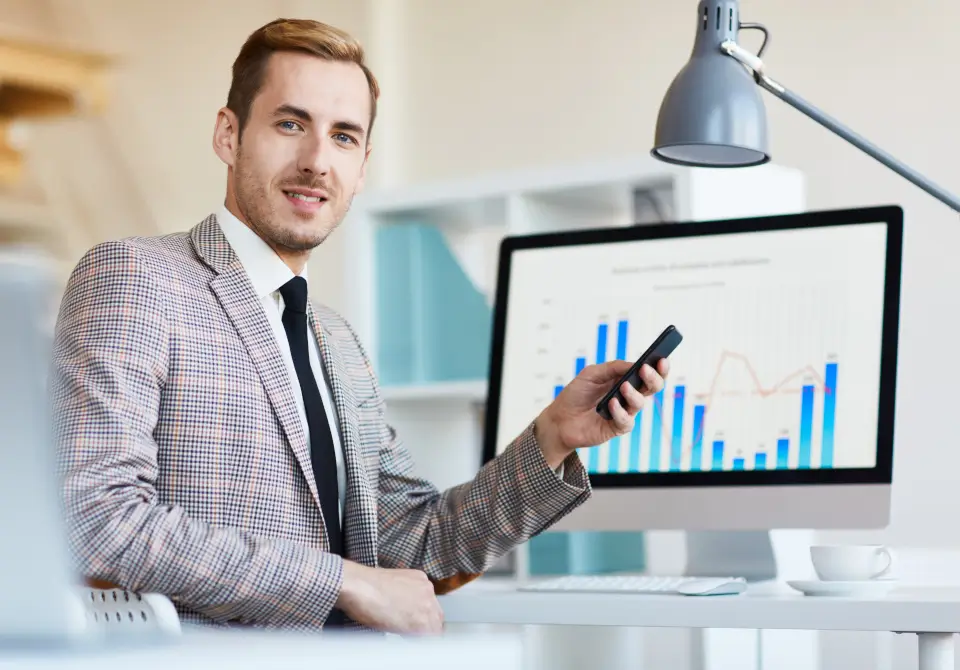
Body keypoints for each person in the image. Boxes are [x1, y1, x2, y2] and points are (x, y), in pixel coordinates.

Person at [51, 17, 668, 635]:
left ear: (363, 165)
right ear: (228, 135)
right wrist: (345, 581)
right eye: (290, 124)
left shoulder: (337, 340)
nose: (317, 162)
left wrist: (552, 438)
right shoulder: (137, 278)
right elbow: (97, 520)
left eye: (343, 137)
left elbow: (416, 544)